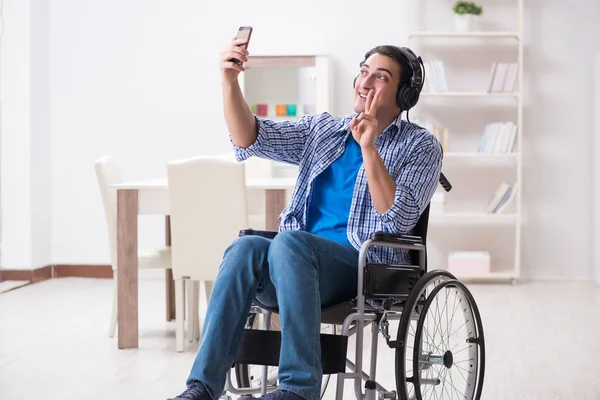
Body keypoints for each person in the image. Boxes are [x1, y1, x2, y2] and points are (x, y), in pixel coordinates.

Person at [167, 38, 443, 400]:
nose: (365, 83)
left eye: (381, 77)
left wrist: (370, 147)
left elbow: (396, 218)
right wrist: (230, 81)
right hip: (293, 262)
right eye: (363, 73)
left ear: (405, 94)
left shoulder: (420, 146)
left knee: (290, 242)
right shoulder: (324, 130)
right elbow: (251, 137)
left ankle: (298, 389)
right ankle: (202, 387)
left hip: (363, 269)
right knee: (245, 247)